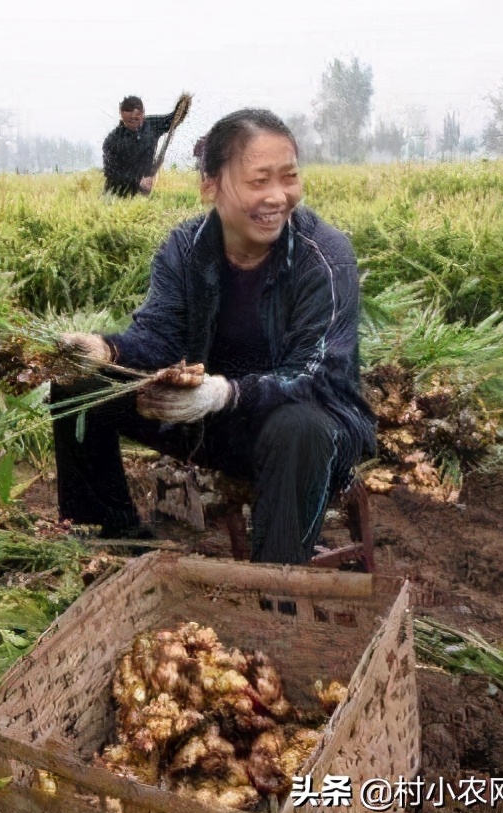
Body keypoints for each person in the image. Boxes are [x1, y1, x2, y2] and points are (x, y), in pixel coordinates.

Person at [56, 108, 376, 564]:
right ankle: (111, 535)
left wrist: (224, 392)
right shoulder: (185, 249)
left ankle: (278, 590)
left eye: (288, 177)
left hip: (308, 430)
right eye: (258, 180)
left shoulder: (323, 256)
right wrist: (105, 349)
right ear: (211, 187)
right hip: (208, 421)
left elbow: (318, 374)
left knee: (299, 427)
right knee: (80, 385)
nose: (278, 196)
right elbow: (160, 338)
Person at [103, 95, 191, 198]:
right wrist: (138, 180)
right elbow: (112, 172)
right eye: (130, 120)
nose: (134, 123)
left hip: (143, 194)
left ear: (142, 113)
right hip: (118, 193)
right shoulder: (112, 141)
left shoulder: (151, 125)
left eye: (137, 118)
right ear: (122, 116)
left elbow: (172, 120)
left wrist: (183, 105)